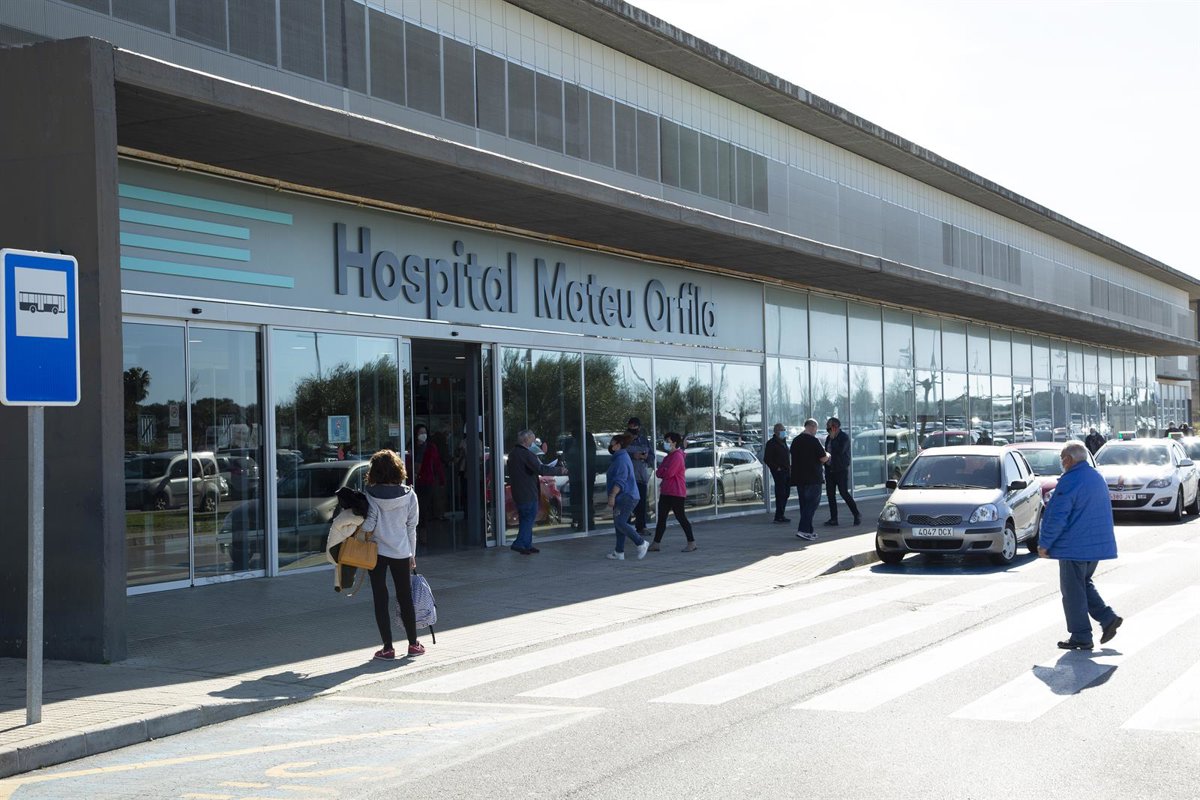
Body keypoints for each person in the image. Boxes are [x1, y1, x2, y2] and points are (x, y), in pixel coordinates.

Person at [1038, 441, 1122, 651]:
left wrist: (1045, 543)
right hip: (1095, 545)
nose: (1061, 463)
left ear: (1069, 459)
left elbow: (1058, 516)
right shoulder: (1096, 477)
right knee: (1083, 584)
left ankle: (1081, 636)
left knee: (1073, 592)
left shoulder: (1071, 480)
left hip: (1074, 545)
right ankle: (1108, 618)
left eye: (1062, 459)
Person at [359, 449, 424, 660]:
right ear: (398, 468)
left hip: (376, 552)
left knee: (380, 598)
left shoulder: (370, 494)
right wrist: (412, 554)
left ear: (375, 471)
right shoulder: (410, 495)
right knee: (405, 597)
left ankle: (387, 648)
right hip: (401, 551)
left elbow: (369, 525)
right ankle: (413, 644)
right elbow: (411, 527)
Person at [506, 429, 560, 555]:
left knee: (526, 519)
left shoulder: (513, 454)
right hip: (528, 492)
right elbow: (540, 469)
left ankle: (527, 544)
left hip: (519, 491)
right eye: (532, 440)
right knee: (528, 518)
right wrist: (559, 470)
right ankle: (519, 543)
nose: (533, 443)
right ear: (526, 440)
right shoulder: (526, 454)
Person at [605, 433, 649, 561]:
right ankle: (619, 551)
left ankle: (641, 542)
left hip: (626, 496)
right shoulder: (619, 458)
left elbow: (621, 480)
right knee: (618, 523)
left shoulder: (621, 460)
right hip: (623, 496)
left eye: (612, 443)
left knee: (620, 522)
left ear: (618, 445)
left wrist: (612, 495)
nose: (610, 445)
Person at [650, 431, 696, 552]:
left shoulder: (677, 456)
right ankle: (656, 543)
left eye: (668, 441)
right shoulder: (667, 457)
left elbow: (669, 473)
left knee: (681, 517)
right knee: (661, 518)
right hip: (666, 491)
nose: (665, 443)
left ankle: (691, 542)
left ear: (674, 443)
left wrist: (665, 470)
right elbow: (658, 473)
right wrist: (665, 470)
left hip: (676, 492)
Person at [790, 419, 829, 541]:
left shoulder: (796, 441)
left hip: (799, 478)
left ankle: (809, 530)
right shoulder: (813, 441)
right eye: (816, 428)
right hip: (813, 478)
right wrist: (828, 455)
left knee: (804, 505)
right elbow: (823, 458)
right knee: (811, 505)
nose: (816, 431)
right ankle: (803, 530)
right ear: (812, 427)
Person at [823, 417, 861, 527]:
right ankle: (833, 519)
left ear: (835, 427)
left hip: (840, 470)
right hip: (830, 469)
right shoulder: (828, 438)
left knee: (843, 493)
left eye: (829, 426)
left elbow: (839, 451)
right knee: (830, 494)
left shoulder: (844, 437)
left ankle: (856, 514)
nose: (827, 429)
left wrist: (833, 439)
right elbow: (827, 451)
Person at [624, 417, 652, 536]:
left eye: (635, 426)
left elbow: (651, 456)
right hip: (627, 478)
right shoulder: (623, 440)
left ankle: (641, 527)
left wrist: (646, 457)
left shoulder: (644, 440)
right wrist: (632, 455)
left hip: (641, 476)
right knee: (627, 503)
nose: (633, 428)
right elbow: (617, 453)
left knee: (641, 504)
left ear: (639, 428)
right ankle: (625, 527)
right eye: (630, 426)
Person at [763, 422, 792, 523]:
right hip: (779, 472)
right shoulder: (771, 443)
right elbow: (767, 459)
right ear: (776, 431)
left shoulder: (784, 442)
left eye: (784, 430)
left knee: (786, 493)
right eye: (782, 430)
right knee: (780, 493)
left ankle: (781, 514)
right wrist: (776, 468)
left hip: (787, 471)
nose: (784, 432)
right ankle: (778, 516)